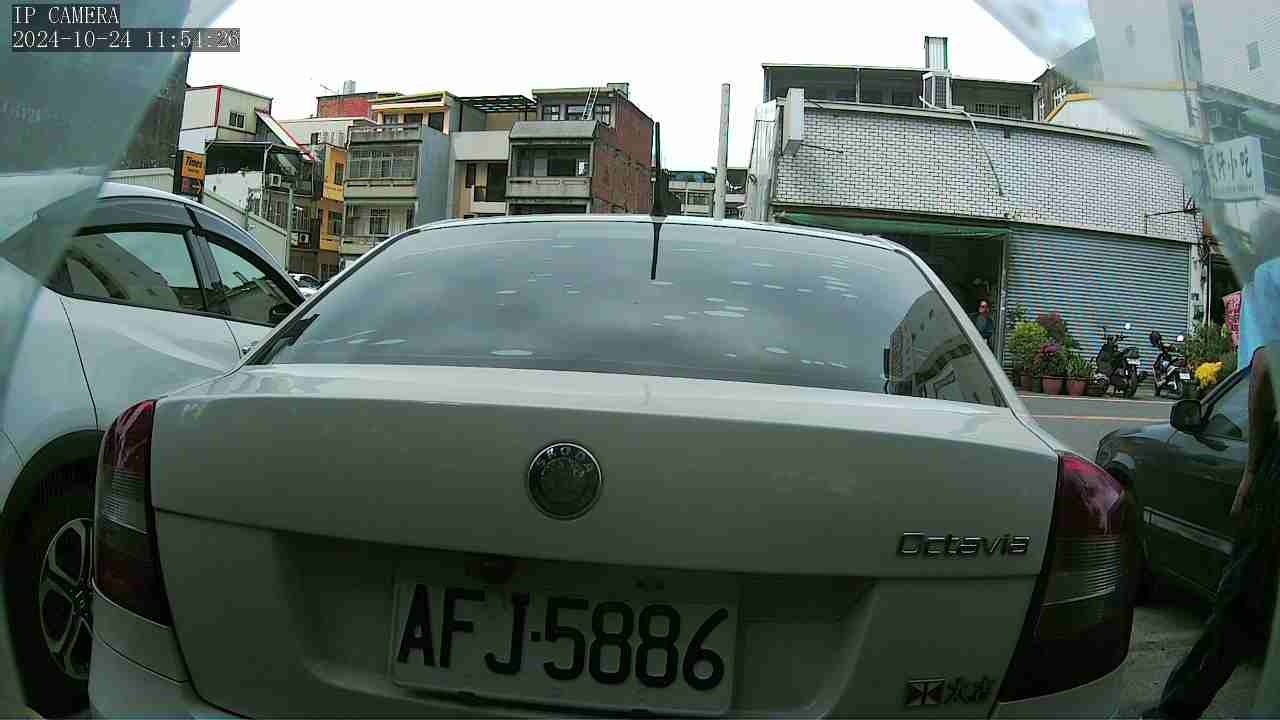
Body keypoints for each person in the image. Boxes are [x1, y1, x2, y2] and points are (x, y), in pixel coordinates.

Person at [1145, 208, 1280, 720]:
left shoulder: (1268, 279)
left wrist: (1251, 470)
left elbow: (1262, 373)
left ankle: (1174, 711)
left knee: (1241, 598)